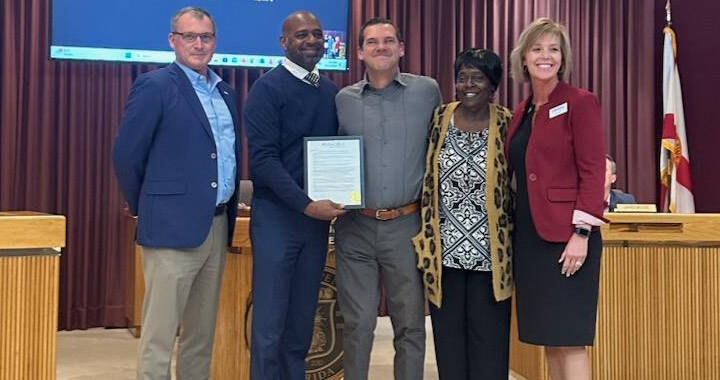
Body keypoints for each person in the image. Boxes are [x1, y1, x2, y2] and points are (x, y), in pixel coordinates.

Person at [112, 7, 240, 380]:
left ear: (215, 41)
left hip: (216, 226)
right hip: (169, 229)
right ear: (173, 41)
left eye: (206, 37)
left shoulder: (226, 91)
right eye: (190, 36)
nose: (199, 44)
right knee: (159, 336)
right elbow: (126, 154)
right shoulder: (154, 86)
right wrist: (148, 207)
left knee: (201, 335)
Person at [334, 17, 442, 380]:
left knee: (410, 325)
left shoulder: (427, 91)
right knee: (358, 323)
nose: (381, 46)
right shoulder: (343, 100)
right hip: (356, 228)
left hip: (407, 227)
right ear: (360, 51)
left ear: (401, 48)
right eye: (372, 41)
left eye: (389, 40)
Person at [243, 11, 345, 380]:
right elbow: (264, 161)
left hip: (314, 225)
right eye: (301, 35)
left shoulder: (331, 91)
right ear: (283, 42)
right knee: (269, 326)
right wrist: (306, 204)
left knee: (302, 324)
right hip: (277, 220)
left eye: (317, 34)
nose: (312, 40)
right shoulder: (267, 89)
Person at [506, 18, 607, 380]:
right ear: (524, 57)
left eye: (553, 49)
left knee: (570, 338)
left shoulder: (580, 102)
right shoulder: (522, 111)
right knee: (548, 337)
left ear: (563, 59)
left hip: (569, 239)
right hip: (531, 239)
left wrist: (581, 233)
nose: (545, 56)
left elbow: (594, 169)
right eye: (537, 48)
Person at [412, 48, 514, 380]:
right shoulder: (439, 118)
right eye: (462, 77)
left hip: (492, 259)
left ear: (493, 84)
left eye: (478, 77)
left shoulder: (507, 123)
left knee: (489, 347)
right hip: (444, 257)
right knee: (450, 346)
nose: (468, 84)